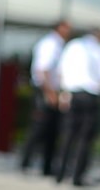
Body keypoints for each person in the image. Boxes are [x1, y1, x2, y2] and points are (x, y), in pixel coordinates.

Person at [54, 26, 100, 186]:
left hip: (72, 94)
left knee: (68, 135)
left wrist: (63, 93)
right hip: (90, 96)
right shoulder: (99, 50)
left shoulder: (73, 45)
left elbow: (61, 72)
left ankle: (60, 173)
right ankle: (77, 176)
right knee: (84, 138)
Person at [20, 19, 71, 176]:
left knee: (52, 130)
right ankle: (26, 161)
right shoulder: (50, 44)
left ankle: (47, 165)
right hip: (45, 91)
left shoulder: (59, 44)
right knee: (39, 128)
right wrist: (50, 93)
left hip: (52, 90)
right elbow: (43, 71)